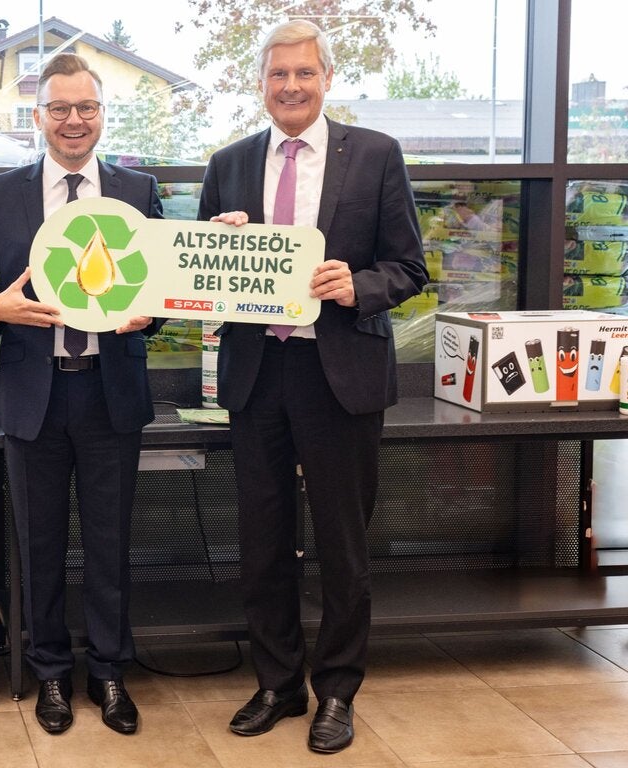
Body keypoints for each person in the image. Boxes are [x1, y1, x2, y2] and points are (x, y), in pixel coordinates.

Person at [198, 20, 428, 754]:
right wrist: (220, 244)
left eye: (303, 74)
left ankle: (337, 692)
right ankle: (276, 682)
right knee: (262, 539)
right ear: (260, 84)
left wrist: (354, 285)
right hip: (257, 374)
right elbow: (200, 273)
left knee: (341, 543)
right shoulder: (229, 163)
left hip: (340, 376)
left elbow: (409, 269)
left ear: (327, 77)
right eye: (277, 76)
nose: (290, 87)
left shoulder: (377, 156)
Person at [0, 52, 164, 736]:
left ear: (101, 114)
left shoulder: (138, 189)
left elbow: (169, 286)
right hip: (34, 398)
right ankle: (52, 675)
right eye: (59, 109)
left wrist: (157, 310)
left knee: (110, 544)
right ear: (39, 117)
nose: (73, 120)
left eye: (85, 107)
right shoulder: (2, 192)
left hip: (110, 395)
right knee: (37, 547)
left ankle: (112, 675)